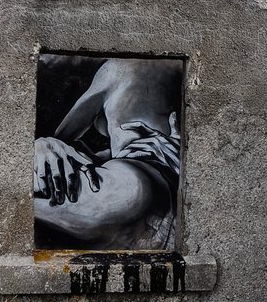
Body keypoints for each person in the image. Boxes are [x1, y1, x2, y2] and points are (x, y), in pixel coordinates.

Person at [34, 57, 182, 250]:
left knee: (13, 192)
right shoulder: (181, 69)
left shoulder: (118, 67)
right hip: (170, 197)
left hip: (133, 182)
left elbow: (62, 138)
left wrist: (42, 144)